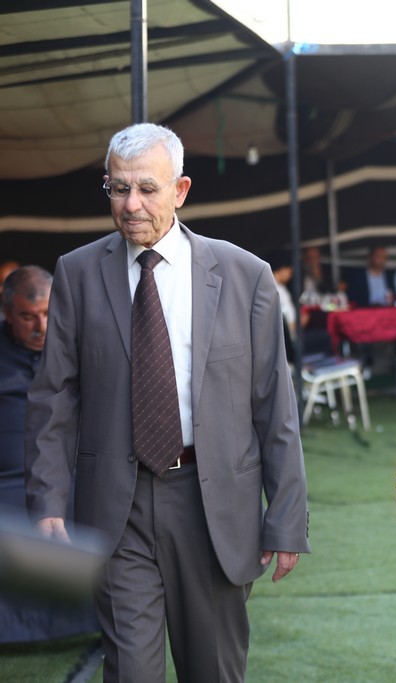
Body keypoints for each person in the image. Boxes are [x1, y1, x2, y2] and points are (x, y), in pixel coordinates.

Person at [24, 123, 310, 682]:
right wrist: (48, 500)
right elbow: (54, 395)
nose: (131, 204)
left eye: (146, 189)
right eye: (118, 188)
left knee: (213, 670)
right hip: (115, 507)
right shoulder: (77, 273)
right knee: (130, 671)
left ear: (180, 190)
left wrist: (286, 518)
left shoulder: (245, 276)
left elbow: (274, 406)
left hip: (213, 506)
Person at [0, 266, 99, 644]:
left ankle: (106, 617)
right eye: (28, 316)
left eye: (47, 313)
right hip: (8, 480)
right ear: (7, 313)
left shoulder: (84, 344)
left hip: (73, 471)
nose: (41, 326)